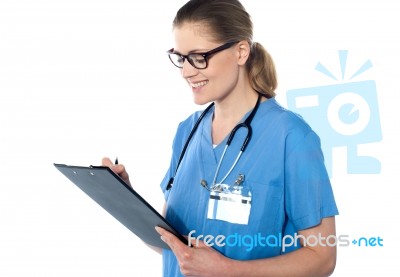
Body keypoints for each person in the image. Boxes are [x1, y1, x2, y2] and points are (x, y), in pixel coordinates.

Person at [103, 0, 339, 276]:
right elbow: (173, 247)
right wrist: (124, 199)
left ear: (241, 51)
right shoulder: (187, 132)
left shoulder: (291, 137)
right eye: (180, 58)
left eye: (199, 57)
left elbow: (322, 258)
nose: (186, 71)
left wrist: (229, 270)